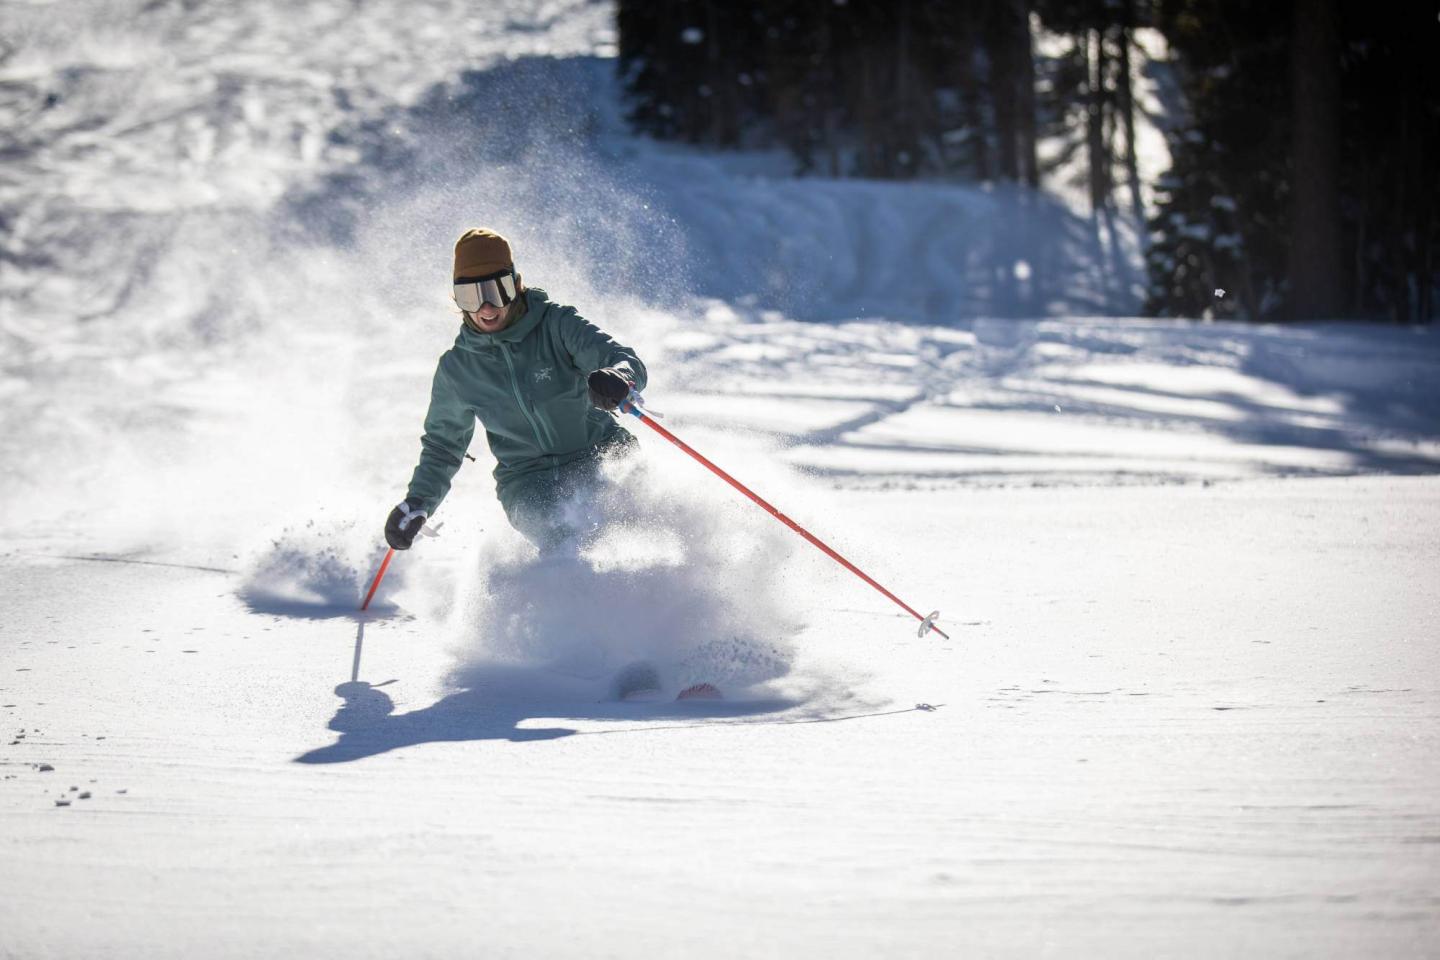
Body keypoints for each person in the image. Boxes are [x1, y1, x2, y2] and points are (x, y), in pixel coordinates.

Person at [384, 228, 646, 553]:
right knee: (562, 533)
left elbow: (622, 359)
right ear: (456, 300)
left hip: (599, 451)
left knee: (639, 517)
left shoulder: (557, 325)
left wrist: (619, 378)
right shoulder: (459, 370)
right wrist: (419, 501)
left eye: (497, 290)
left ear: (516, 284)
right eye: (470, 297)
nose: (486, 308)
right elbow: (443, 446)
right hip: (527, 481)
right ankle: (577, 597)